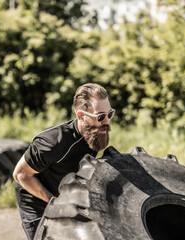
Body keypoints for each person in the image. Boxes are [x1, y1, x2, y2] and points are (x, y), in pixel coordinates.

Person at [13, 83, 115, 240]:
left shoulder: (95, 133)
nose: (107, 121)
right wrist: (55, 202)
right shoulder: (53, 143)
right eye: (101, 116)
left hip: (62, 196)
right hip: (35, 203)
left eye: (110, 114)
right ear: (81, 116)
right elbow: (21, 174)